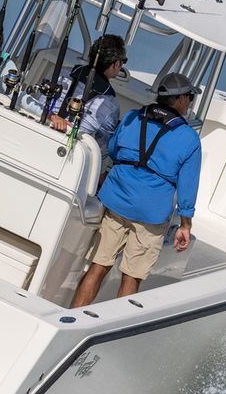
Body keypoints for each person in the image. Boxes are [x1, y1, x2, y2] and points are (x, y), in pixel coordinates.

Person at [70, 72, 202, 307]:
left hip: (116, 201)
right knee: (132, 276)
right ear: (180, 98)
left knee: (98, 266)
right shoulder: (189, 138)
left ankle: (73, 315)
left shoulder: (132, 118)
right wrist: (185, 225)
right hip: (151, 214)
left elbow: (113, 150)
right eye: (190, 96)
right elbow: (187, 186)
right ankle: (112, 329)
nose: (190, 102)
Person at [20, 34, 125, 161]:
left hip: (34, 137)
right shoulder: (111, 106)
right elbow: (101, 150)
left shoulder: (60, 73)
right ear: (115, 64)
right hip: (66, 156)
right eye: (123, 61)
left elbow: (40, 104)